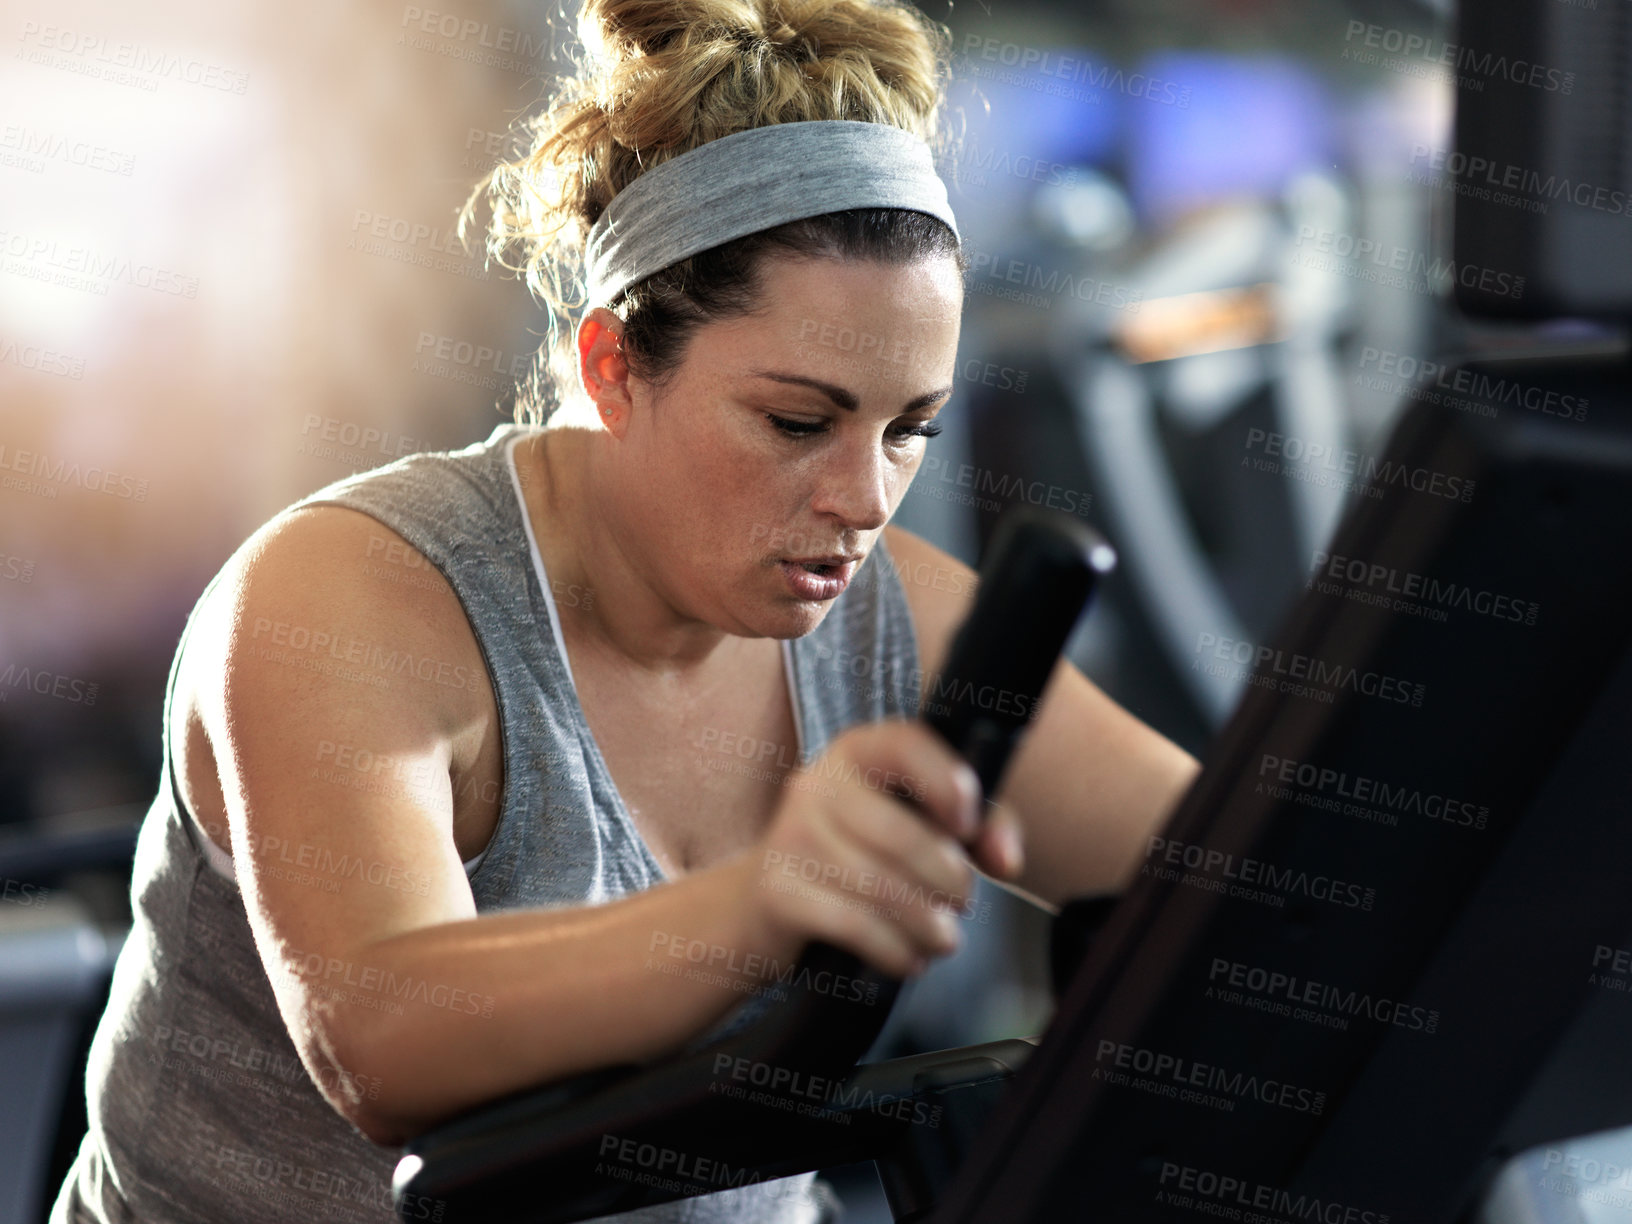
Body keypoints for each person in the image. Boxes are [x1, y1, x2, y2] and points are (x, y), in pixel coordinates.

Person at [51, 0, 1201, 1220]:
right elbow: (382, 1043)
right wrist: (759, 904)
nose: (866, 500)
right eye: (798, 424)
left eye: (909, 429)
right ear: (611, 367)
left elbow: (1244, 875)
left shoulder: (896, 620)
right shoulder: (351, 597)